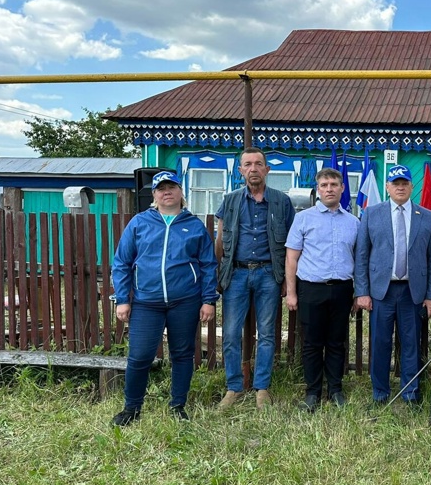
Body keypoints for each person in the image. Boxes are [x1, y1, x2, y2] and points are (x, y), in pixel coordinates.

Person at [111, 171, 219, 426]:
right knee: (140, 355)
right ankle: (132, 408)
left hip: (186, 301)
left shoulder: (194, 226)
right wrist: (123, 298)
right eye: (161, 188)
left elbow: (208, 264)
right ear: (154, 195)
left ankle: (178, 405)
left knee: (182, 354)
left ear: (181, 192)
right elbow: (122, 262)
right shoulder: (139, 223)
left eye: (171, 187)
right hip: (147, 302)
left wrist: (208, 299)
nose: (166, 192)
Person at [355, 164, 431, 406]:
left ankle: (410, 393)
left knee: (411, 343)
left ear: (411, 187)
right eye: (395, 183)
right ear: (387, 187)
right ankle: (380, 393)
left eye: (404, 183)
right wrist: (362, 291)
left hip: (412, 292)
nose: (400, 187)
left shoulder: (426, 217)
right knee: (380, 343)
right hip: (381, 292)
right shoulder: (372, 214)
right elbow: (361, 255)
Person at [215, 147, 295, 410]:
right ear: (240, 170)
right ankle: (234, 387)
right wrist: (220, 274)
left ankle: (262, 388)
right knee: (230, 334)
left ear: (267, 169)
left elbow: (292, 246)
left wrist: (285, 280)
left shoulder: (281, 202)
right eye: (247, 164)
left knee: (267, 334)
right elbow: (220, 241)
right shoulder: (230, 201)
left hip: (268, 275)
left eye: (258, 164)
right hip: (236, 274)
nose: (253, 169)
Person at [285, 167, 360, 412]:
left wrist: (357, 292)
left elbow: (359, 261)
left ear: (342, 189)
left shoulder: (353, 222)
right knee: (312, 343)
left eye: (334, 185)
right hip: (311, 289)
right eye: (324, 185)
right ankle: (312, 392)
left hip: (341, 290)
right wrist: (292, 292)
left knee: (337, 342)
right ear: (318, 190)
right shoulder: (304, 218)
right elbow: (292, 258)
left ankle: (335, 389)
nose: (329, 189)